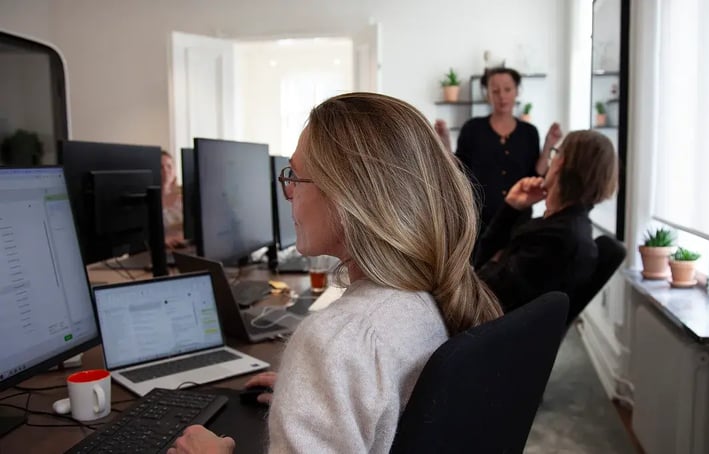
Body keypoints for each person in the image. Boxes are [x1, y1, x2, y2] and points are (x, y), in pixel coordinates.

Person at [168, 93, 503, 454]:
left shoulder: (340, 340)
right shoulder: (424, 298)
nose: (288, 191)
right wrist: (316, 393)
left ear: (348, 195)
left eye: (295, 175)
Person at [474, 129, 618, 313]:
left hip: (480, 329)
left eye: (555, 153)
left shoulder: (558, 238)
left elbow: (484, 293)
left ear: (560, 162)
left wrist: (496, 258)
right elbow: (484, 267)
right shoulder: (565, 226)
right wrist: (512, 207)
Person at [434, 67, 563, 238]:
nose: (502, 96)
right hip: (480, 222)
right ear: (487, 94)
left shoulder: (529, 132)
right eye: (495, 90)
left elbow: (536, 174)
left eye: (507, 89)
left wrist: (548, 145)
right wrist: (445, 143)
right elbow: (459, 171)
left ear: (517, 91)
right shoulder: (472, 129)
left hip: (519, 221)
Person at [160, 150, 185, 248]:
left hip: (184, 247)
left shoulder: (184, 195)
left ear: (174, 170)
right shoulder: (147, 200)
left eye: (169, 166)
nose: (165, 171)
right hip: (161, 249)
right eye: (161, 167)